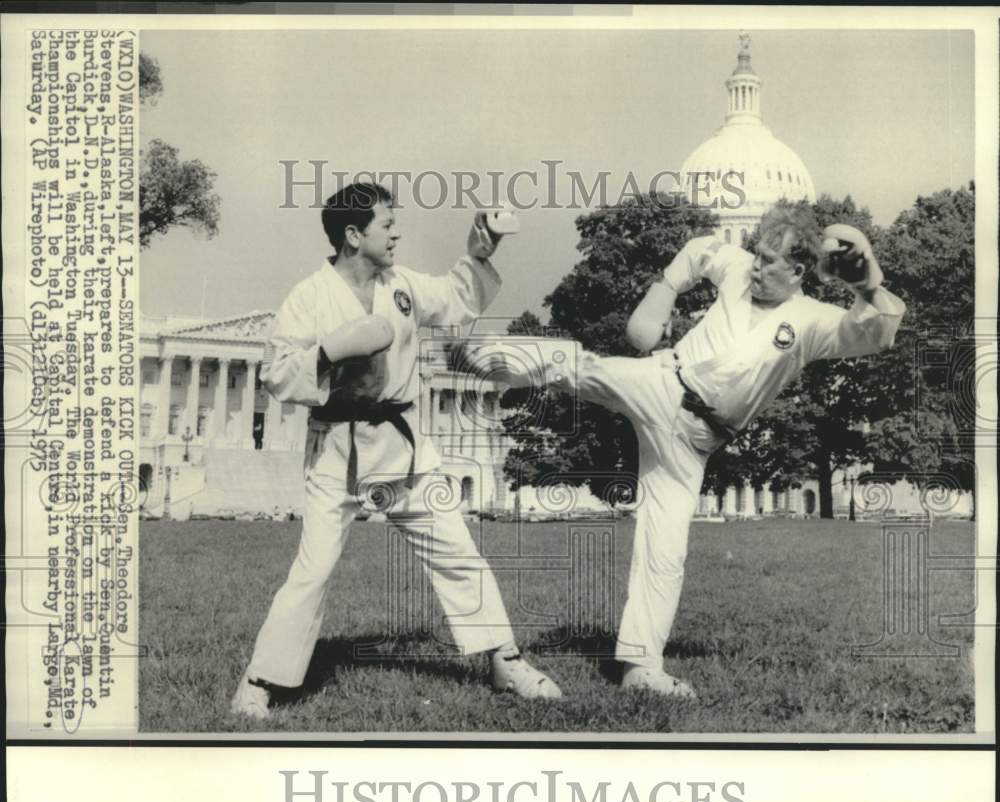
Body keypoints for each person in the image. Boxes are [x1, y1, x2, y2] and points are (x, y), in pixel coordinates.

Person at [473, 206, 905, 698]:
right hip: (662, 383)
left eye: (768, 261)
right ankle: (472, 355)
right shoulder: (739, 269)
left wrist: (866, 283)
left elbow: (875, 334)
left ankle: (641, 669)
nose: (756, 267)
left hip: (695, 439)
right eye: (758, 255)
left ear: (798, 271)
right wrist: (661, 293)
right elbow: (700, 251)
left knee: (666, 546)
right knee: (579, 367)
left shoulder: (809, 322)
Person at [231, 183, 561, 718]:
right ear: (353, 235)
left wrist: (481, 251)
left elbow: (457, 298)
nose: (397, 232)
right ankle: (260, 680)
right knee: (312, 570)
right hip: (337, 449)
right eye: (387, 223)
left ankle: (506, 660)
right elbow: (276, 375)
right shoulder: (309, 297)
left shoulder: (402, 285)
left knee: (457, 551)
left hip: (405, 445)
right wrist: (331, 350)